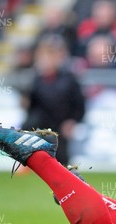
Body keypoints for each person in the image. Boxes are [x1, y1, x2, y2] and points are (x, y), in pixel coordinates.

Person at [20, 35, 85, 166]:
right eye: (44, 55)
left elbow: (79, 106)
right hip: (41, 129)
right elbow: (32, 109)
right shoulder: (36, 80)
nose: (47, 60)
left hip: (60, 129)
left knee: (61, 164)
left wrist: (72, 122)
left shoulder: (69, 79)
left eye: (51, 55)